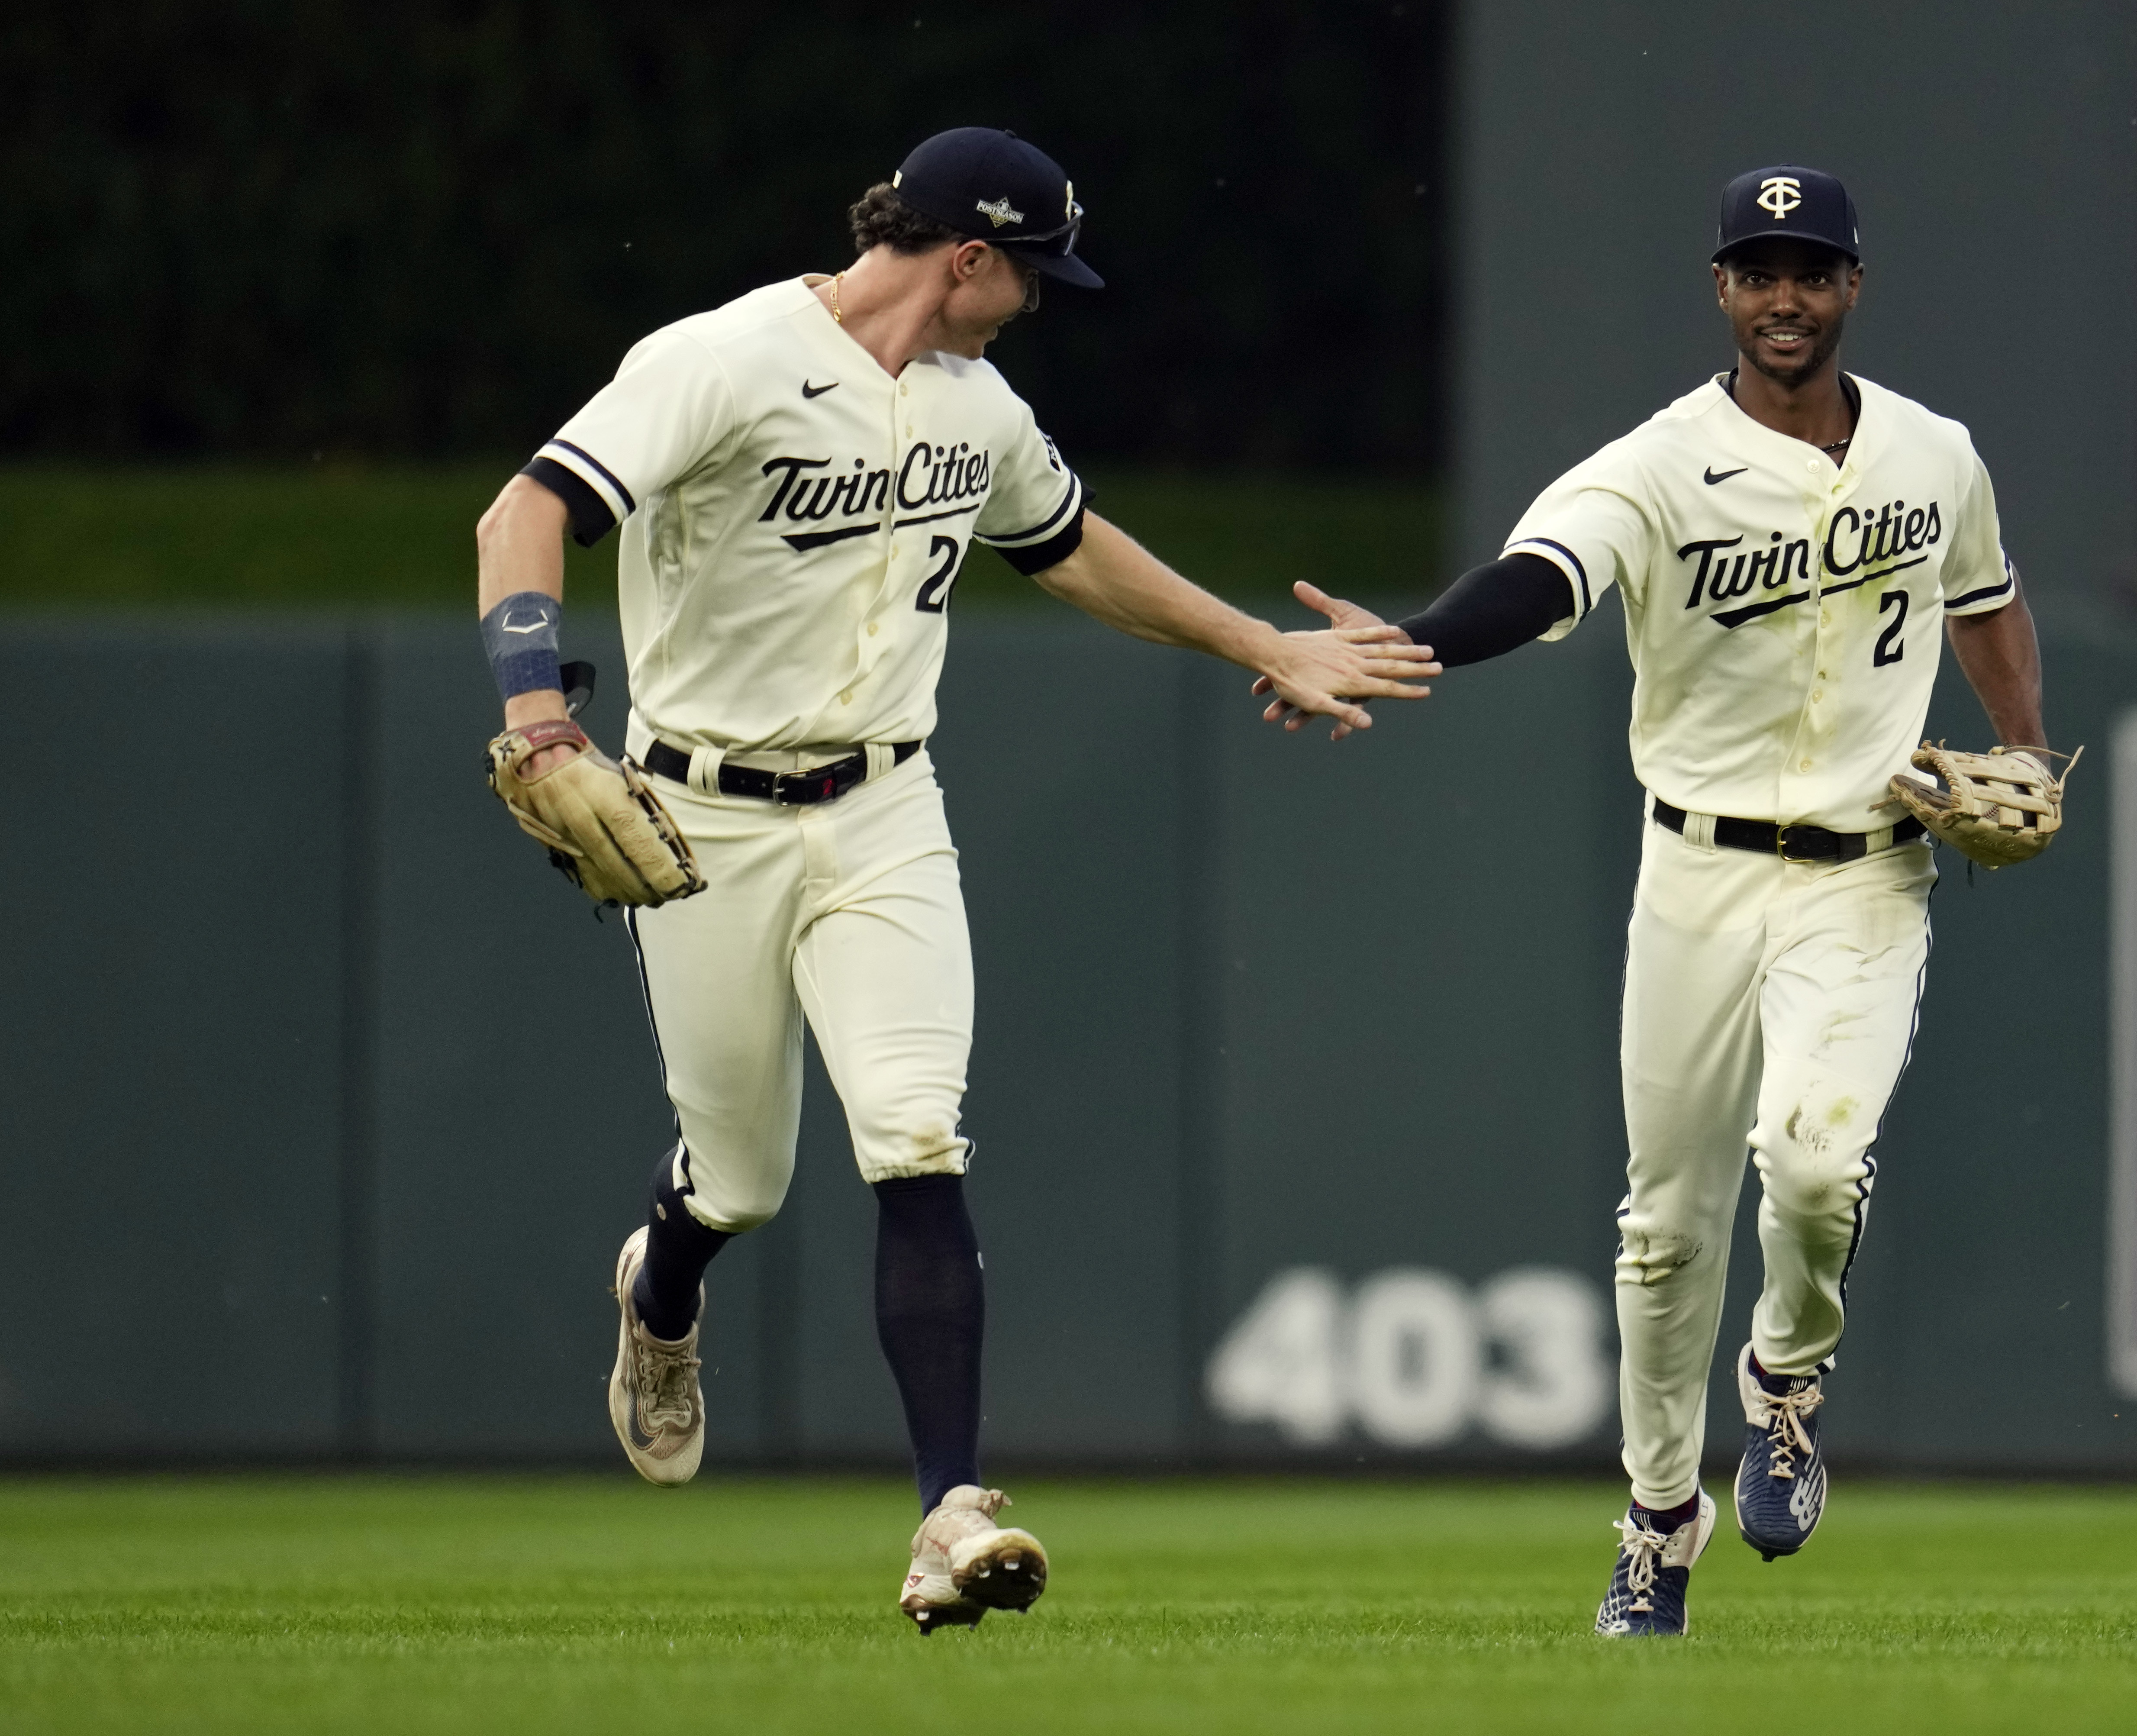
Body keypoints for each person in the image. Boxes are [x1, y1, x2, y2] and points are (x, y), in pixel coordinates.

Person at [471, 126, 1437, 1633]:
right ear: (968, 257)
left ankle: (948, 1511)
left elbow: (1069, 548)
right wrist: (536, 710)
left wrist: (1262, 641)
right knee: (745, 1174)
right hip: (703, 811)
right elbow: (521, 511)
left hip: (883, 805)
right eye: (1032, 272)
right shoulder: (724, 359)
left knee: (917, 1132)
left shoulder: (978, 407)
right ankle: (661, 1285)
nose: (1041, 300)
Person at [1263, 164, 2050, 1635]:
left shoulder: (1937, 453)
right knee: (1665, 1229)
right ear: (1722, 291)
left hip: (1868, 872)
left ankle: (1785, 1377)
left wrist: (2016, 745)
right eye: (1758, 270)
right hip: (1696, 868)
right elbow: (1539, 581)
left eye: (1810, 269)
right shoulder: (1657, 465)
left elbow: (1987, 596)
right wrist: (1411, 644)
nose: (1785, 297)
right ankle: (1655, 1520)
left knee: (1812, 1166)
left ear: (1853, 287)